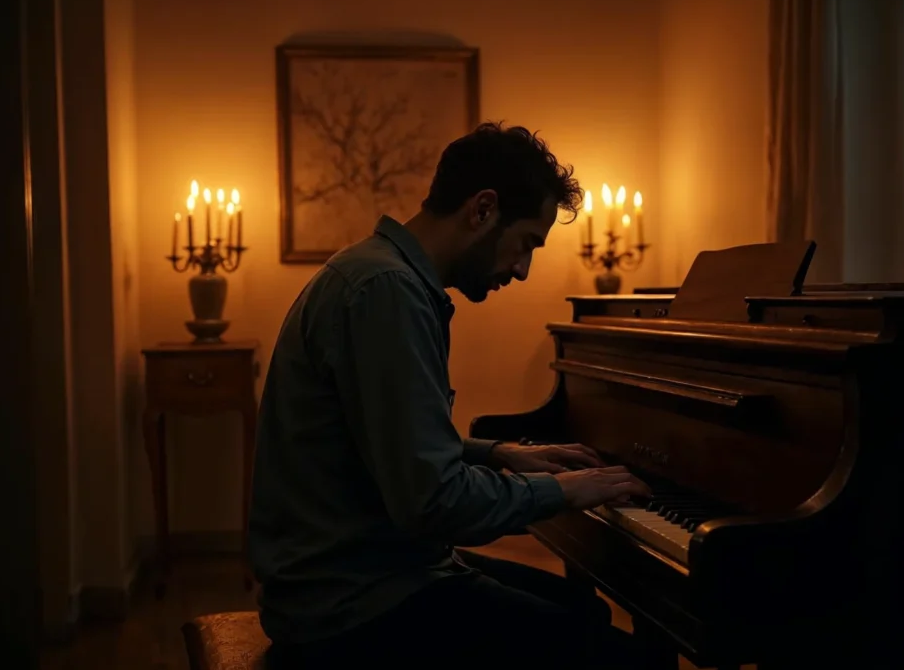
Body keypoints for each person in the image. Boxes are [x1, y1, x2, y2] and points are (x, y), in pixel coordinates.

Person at [248, 122, 654, 667]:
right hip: (351, 605)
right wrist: (565, 491)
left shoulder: (379, 273)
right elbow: (435, 504)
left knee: (580, 607)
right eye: (527, 244)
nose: (523, 269)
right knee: (623, 658)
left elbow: (382, 440)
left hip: (362, 572)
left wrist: (497, 453)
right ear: (482, 209)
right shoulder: (387, 293)